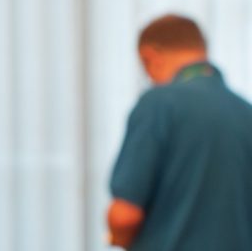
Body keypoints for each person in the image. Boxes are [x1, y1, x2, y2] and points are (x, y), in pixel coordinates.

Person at [107, 14, 252, 250]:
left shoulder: (157, 104)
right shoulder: (246, 111)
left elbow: (124, 215)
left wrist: (117, 238)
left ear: (150, 57)